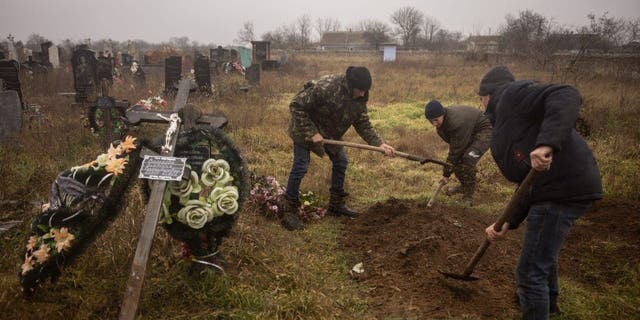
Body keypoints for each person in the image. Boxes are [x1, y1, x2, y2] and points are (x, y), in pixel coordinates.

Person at [480, 65, 602, 319]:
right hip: (557, 188)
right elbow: (528, 180)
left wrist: (547, 143)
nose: (480, 103)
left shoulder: (512, 94)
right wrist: (510, 221)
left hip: (559, 188)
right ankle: (551, 305)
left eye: (480, 97)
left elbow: (566, 94)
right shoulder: (507, 119)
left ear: (488, 94)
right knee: (542, 252)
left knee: (529, 271)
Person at [283, 66, 395, 231]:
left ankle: (336, 205)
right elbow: (296, 105)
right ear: (350, 85)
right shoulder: (326, 87)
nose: (363, 94)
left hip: (329, 133)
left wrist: (379, 143)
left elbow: (362, 122)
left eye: (365, 91)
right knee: (301, 165)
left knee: (341, 161)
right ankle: (289, 209)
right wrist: (312, 132)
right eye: (360, 90)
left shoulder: (360, 96)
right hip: (304, 129)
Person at [423, 100, 492, 206]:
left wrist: (446, 174)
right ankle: (464, 187)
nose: (434, 124)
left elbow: (455, 150)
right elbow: (455, 146)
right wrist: (450, 168)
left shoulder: (455, 122)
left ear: (442, 114)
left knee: (467, 161)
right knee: (457, 162)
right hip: (469, 133)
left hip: (486, 130)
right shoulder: (441, 126)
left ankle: (468, 197)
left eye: (436, 120)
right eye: (430, 121)